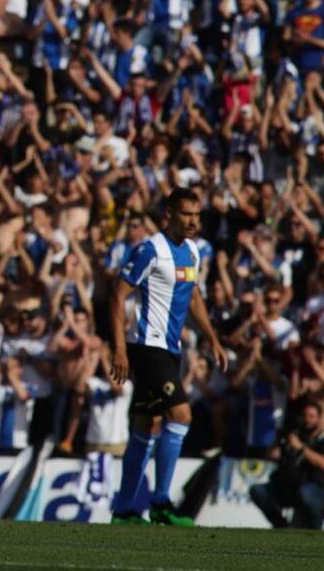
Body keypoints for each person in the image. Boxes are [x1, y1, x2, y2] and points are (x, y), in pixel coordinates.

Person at [109, 187, 228, 525]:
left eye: (197, 214)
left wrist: (212, 338)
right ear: (169, 215)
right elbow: (118, 297)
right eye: (186, 214)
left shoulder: (191, 251)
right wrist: (119, 349)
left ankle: (124, 510)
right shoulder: (150, 250)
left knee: (147, 425)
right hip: (147, 347)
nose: (193, 221)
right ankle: (162, 502)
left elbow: (193, 298)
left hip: (170, 350)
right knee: (181, 415)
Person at [249, 399, 324, 529]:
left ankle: (316, 529)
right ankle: (281, 525)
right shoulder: (295, 437)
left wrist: (300, 447)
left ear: (319, 419)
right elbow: (273, 455)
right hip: (287, 486)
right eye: (305, 416)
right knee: (257, 490)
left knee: (306, 493)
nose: (308, 420)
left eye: (312, 416)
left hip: (315, 488)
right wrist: (280, 439)